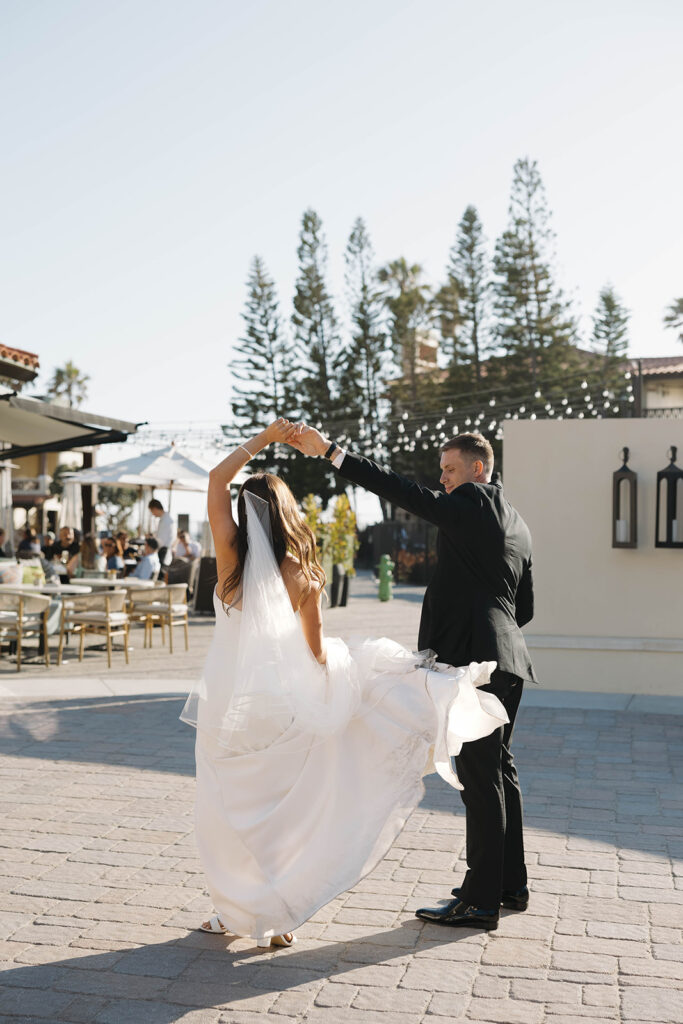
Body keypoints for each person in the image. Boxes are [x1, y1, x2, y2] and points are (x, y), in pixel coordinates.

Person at [179, 418, 508, 950]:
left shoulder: (230, 559)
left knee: (227, 813)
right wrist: (346, 675)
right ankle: (279, 912)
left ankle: (231, 909)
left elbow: (217, 479)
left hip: (228, 710)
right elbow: (314, 653)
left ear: (243, 514)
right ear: (289, 514)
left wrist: (264, 439)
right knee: (281, 813)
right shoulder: (305, 576)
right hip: (283, 710)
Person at [289, 424, 535, 931]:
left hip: (475, 667)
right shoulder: (517, 522)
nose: (442, 480)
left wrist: (332, 453)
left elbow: (400, 490)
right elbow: (524, 607)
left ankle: (480, 900)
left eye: (450, 470)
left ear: (478, 469)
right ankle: (509, 885)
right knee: (499, 773)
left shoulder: (471, 502)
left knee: (479, 780)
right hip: (509, 660)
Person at [148, 499, 175, 567]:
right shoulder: (165, 519)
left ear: (155, 509)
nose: (152, 514)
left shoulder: (166, 521)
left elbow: (161, 540)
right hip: (163, 551)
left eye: (152, 511)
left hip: (164, 552)